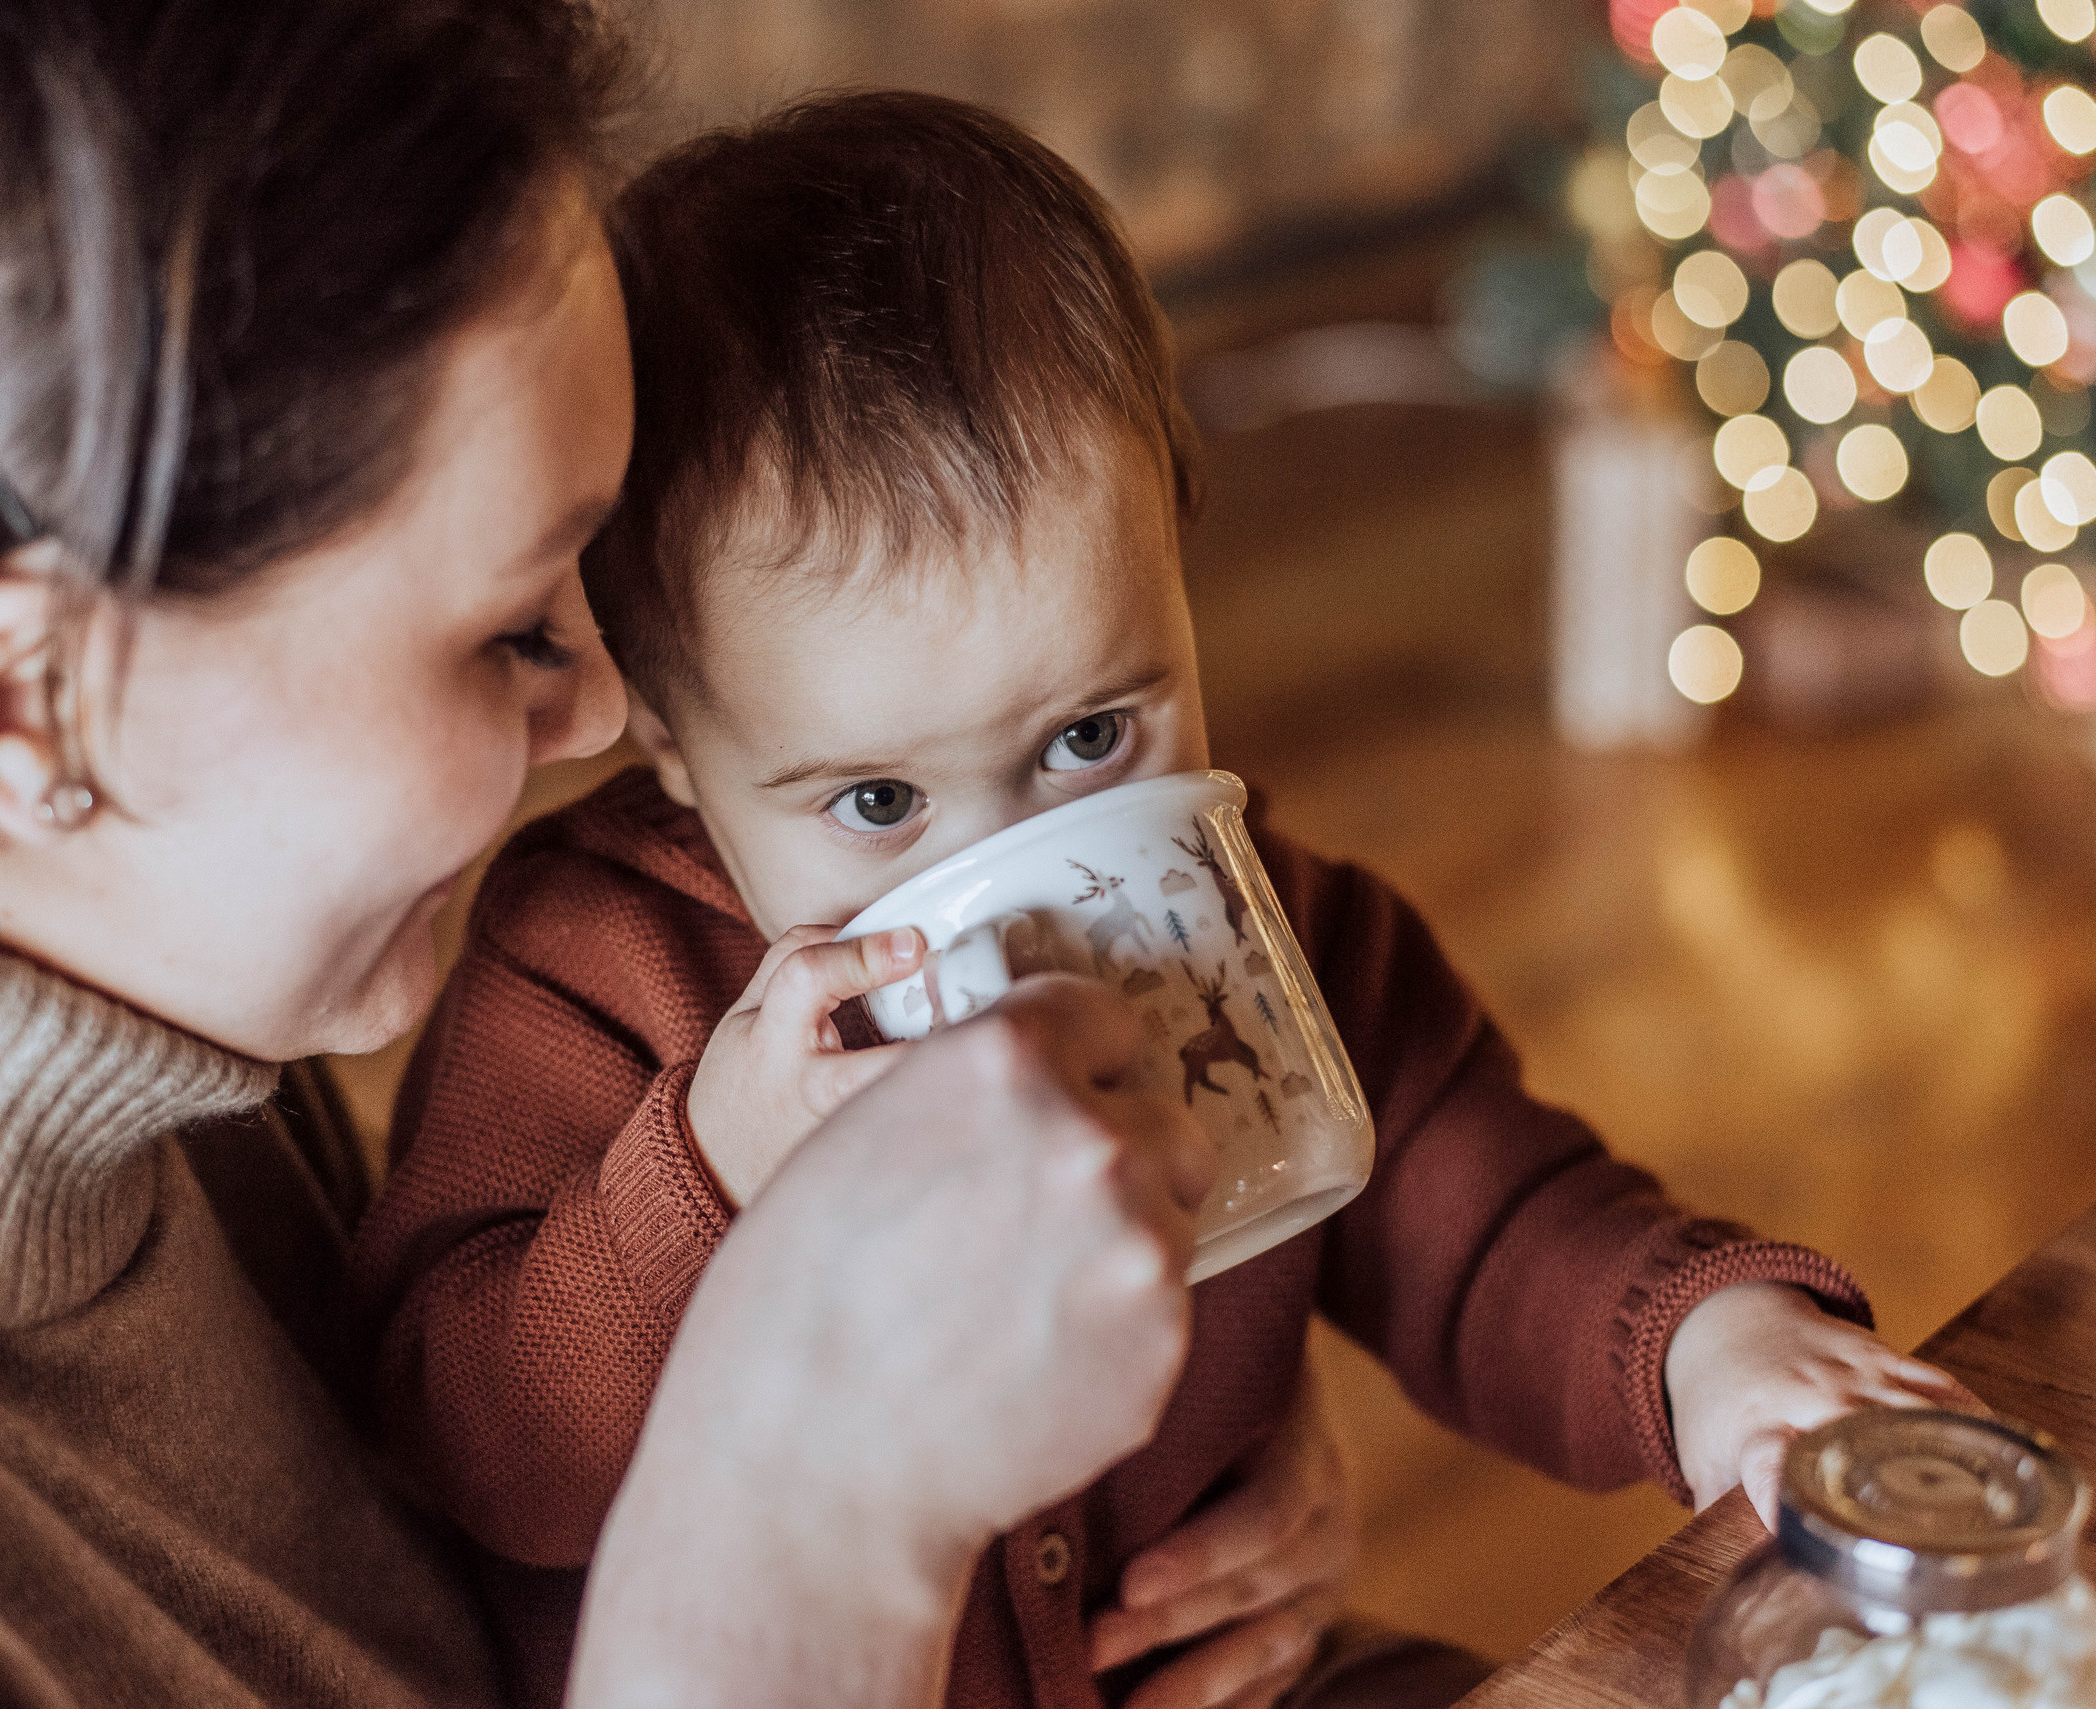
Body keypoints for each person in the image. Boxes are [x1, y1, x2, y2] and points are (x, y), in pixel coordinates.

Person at [0, 7, 1236, 1705]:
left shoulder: (140, 996)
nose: (602, 712)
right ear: (32, 712)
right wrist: (807, 1522)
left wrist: (1167, 1467)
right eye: (507, 628)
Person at [352, 92, 1987, 1709]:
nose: (1002, 883)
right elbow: (477, 1439)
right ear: (671, 738)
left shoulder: (1247, 922)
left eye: (1087, 736)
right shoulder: (590, 978)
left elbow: (1483, 1220)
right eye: (876, 803)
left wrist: (1708, 1351)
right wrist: (706, 1169)